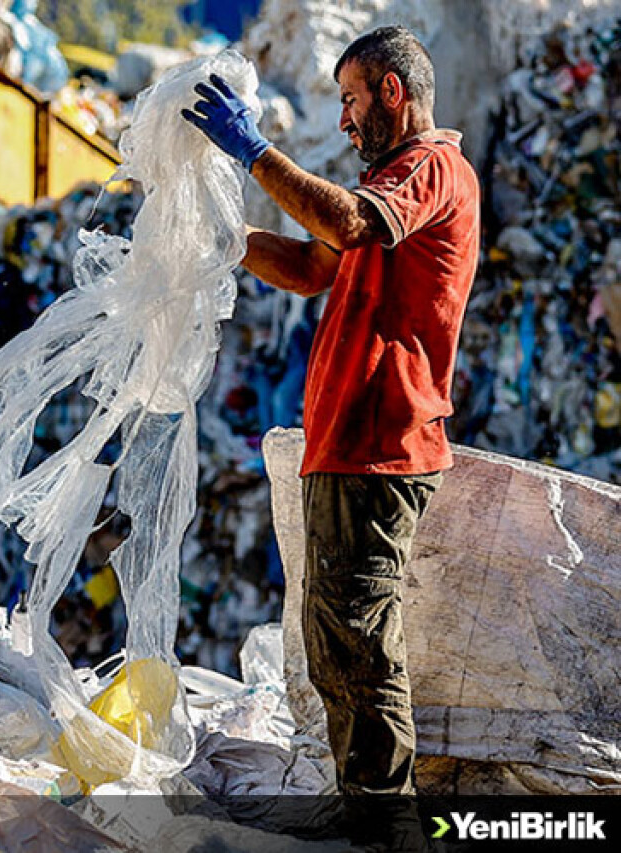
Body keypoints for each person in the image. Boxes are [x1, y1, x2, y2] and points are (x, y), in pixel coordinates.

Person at [184, 27, 480, 808]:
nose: (345, 120)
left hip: (382, 446)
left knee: (361, 644)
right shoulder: (386, 188)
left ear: (393, 92)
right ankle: (364, 806)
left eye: (352, 99)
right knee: (336, 642)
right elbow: (317, 267)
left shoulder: (432, 169)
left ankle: (386, 823)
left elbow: (345, 225)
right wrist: (232, 238)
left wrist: (253, 153)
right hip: (345, 444)